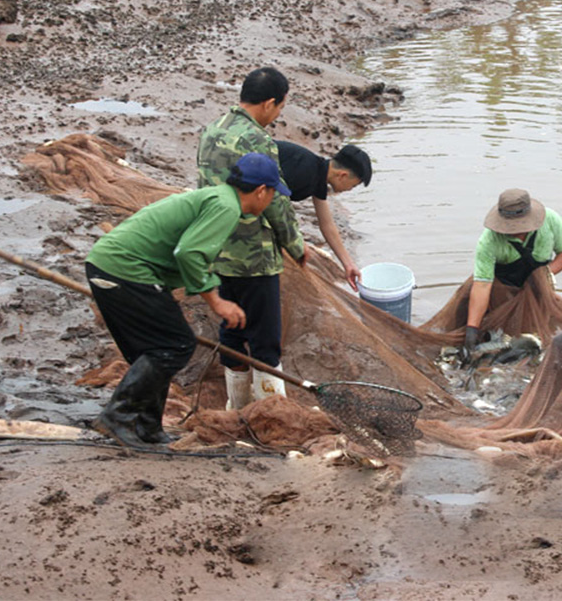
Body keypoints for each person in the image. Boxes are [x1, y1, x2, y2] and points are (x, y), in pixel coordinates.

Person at [86, 153, 291, 447]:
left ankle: (147, 427)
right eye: (272, 195)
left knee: (155, 349)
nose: (271, 201)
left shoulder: (217, 196)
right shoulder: (226, 206)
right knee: (176, 344)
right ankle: (117, 416)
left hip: (111, 265)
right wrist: (216, 302)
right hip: (124, 270)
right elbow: (190, 252)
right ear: (261, 191)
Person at [197, 66, 307, 410]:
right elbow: (274, 204)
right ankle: (269, 416)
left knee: (231, 333)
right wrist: (297, 247)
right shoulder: (258, 140)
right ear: (270, 103)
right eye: (279, 109)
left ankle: (236, 409)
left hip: (218, 252)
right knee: (265, 342)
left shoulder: (211, 130)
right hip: (254, 260)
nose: (276, 117)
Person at [464, 188, 562, 355]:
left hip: (538, 288)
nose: (515, 229)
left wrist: (542, 277)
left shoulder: (551, 220)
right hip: (503, 288)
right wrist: (472, 329)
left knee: (535, 336)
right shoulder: (488, 240)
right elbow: (482, 285)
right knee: (501, 335)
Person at [275, 139, 372, 291]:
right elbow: (274, 205)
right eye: (353, 186)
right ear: (342, 175)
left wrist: (348, 264)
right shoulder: (304, 171)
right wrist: (296, 243)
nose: (350, 190)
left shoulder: (317, 173)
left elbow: (327, 224)